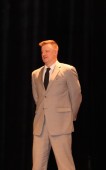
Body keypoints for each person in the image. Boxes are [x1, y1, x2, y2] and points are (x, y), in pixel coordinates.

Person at [31, 40, 82, 170]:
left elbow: (76, 96)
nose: (43, 54)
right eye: (42, 52)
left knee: (65, 164)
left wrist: (70, 117)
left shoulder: (67, 70)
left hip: (61, 123)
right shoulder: (35, 74)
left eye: (47, 51)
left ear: (55, 52)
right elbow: (38, 98)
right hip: (40, 125)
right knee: (37, 165)